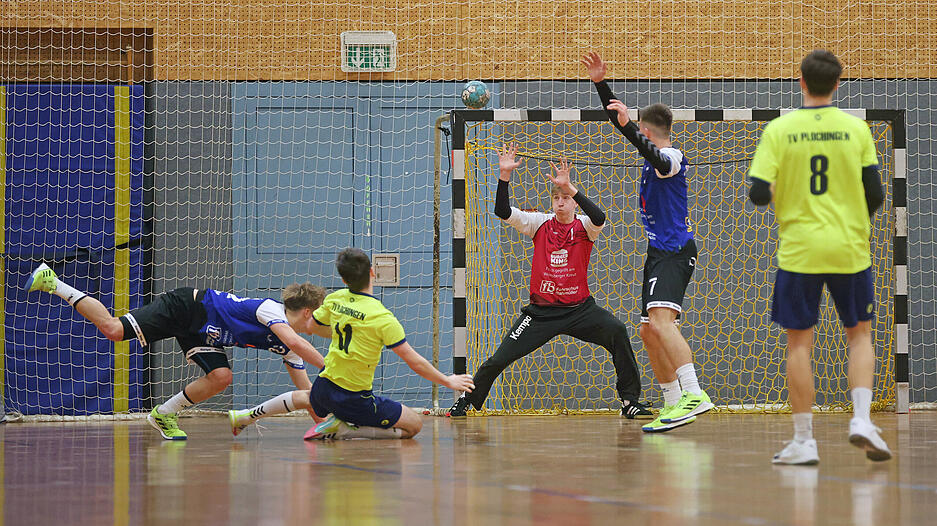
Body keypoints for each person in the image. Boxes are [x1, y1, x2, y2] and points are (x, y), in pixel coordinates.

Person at [748, 49, 890, 464]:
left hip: (799, 251)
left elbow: (758, 193)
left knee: (799, 344)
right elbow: (876, 195)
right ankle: (861, 419)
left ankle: (804, 441)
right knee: (860, 333)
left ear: (802, 82)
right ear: (838, 84)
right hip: (849, 248)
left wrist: (790, 194)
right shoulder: (855, 128)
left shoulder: (779, 129)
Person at [447, 143, 650, 419]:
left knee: (617, 331)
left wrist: (570, 186)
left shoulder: (585, 227)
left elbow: (600, 216)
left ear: (574, 202)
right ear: (552, 203)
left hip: (580, 310)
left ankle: (629, 402)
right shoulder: (539, 223)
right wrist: (504, 174)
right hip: (541, 314)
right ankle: (466, 401)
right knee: (500, 358)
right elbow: (502, 211)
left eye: (566, 198)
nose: (561, 202)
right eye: (557, 198)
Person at [25, 263, 327, 440]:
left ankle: (164, 414)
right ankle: (55, 283)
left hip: (205, 333)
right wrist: (330, 367)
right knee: (114, 330)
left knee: (221, 376)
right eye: (318, 317)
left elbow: (308, 394)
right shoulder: (270, 310)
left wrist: (326, 426)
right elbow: (300, 344)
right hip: (186, 308)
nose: (318, 324)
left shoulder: (290, 345)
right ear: (306, 311)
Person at [582, 51, 714, 433]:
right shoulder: (650, 148)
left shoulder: (671, 156)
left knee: (661, 320)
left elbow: (650, 151)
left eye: (638, 127)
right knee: (647, 329)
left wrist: (629, 129)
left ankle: (694, 392)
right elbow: (623, 123)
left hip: (674, 251)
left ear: (648, 129)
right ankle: (673, 402)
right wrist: (599, 83)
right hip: (659, 252)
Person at [228, 248, 474, 439]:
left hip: (323, 387)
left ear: (344, 280)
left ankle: (245, 416)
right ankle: (345, 429)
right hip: (352, 397)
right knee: (414, 425)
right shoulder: (382, 318)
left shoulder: (335, 300)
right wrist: (447, 380)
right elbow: (414, 362)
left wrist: (345, 331)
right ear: (372, 273)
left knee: (308, 396)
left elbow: (311, 327)